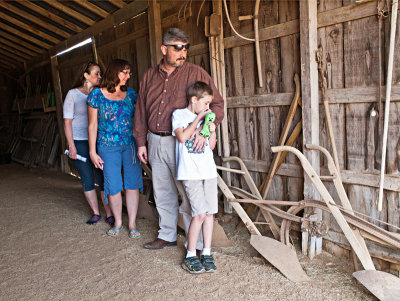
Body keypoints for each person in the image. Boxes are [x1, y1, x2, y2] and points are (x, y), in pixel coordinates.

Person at [134, 28, 224, 250]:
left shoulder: (196, 73)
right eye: (177, 48)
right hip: (154, 141)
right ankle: (167, 234)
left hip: (182, 143)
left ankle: (197, 244)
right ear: (164, 49)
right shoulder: (149, 76)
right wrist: (141, 142)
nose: (182, 53)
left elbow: (217, 105)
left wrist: (205, 130)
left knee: (188, 193)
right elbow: (140, 111)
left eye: (185, 48)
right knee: (162, 190)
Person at [87, 59, 143, 238]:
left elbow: (140, 120)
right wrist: (92, 151)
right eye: (124, 72)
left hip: (130, 145)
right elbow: (92, 125)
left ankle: (132, 223)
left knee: (133, 184)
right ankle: (118, 221)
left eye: (129, 73)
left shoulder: (131, 94)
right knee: (113, 185)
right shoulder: (96, 95)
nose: (128, 76)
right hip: (107, 146)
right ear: (114, 72)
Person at [172, 81, 218, 273]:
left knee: (209, 214)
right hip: (190, 173)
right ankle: (191, 254)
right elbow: (182, 137)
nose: (208, 108)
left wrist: (212, 131)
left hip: (208, 171)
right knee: (198, 214)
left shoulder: (207, 119)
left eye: (209, 104)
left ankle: (206, 252)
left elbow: (212, 146)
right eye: (205, 103)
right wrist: (198, 118)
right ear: (194, 100)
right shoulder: (179, 115)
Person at [63, 61, 114, 226]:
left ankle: (109, 213)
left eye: (100, 74)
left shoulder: (101, 93)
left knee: (102, 177)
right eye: (96, 73)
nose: (100, 77)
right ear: (85, 75)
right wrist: (71, 145)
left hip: (99, 141)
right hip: (79, 141)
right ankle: (96, 213)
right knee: (87, 178)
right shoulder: (73, 94)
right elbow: (67, 122)